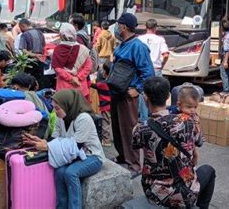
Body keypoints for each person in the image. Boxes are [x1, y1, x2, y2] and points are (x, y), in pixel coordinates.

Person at [132, 77, 215, 208]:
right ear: (168, 96)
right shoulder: (187, 121)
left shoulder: (139, 129)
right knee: (208, 171)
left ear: (145, 97)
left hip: (153, 192)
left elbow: (136, 145)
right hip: (184, 192)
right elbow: (199, 142)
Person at [23, 89, 105, 208]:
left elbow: (76, 146)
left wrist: (48, 146)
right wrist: (42, 142)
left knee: (71, 173)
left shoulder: (84, 118)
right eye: (54, 108)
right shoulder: (60, 118)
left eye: (57, 108)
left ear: (68, 105)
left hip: (92, 156)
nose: (55, 112)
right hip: (75, 155)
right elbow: (54, 138)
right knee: (60, 171)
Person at [110, 13, 154, 174]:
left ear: (123, 26)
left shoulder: (138, 46)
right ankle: (122, 156)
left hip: (128, 95)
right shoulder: (122, 44)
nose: (116, 27)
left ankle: (134, 163)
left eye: (118, 24)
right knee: (117, 127)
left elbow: (148, 72)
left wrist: (138, 89)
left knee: (129, 129)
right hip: (117, 92)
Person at [51, 23, 92, 101]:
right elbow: (88, 66)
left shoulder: (58, 49)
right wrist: (78, 77)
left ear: (62, 35)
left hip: (64, 88)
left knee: (65, 111)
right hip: (80, 86)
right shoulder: (83, 49)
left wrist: (71, 79)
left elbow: (57, 68)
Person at [91, 61, 113, 146]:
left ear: (105, 72)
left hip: (105, 106)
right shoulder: (114, 83)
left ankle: (106, 140)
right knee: (112, 122)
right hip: (113, 105)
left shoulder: (101, 84)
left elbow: (90, 84)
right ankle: (112, 138)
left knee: (105, 123)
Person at [219, 18, 229, 92]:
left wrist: (225, 61)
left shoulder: (226, 38)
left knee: (224, 74)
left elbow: (227, 50)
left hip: (227, 57)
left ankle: (226, 90)